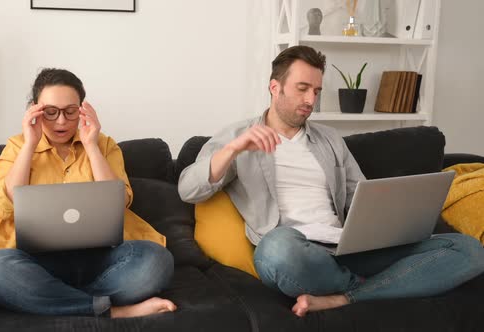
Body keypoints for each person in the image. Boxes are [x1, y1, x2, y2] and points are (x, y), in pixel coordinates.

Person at [177, 45, 484, 317]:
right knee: (276, 249)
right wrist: (232, 150)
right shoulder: (238, 136)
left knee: (469, 250)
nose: (311, 99)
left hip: (348, 247)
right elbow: (188, 188)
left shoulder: (330, 139)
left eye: (316, 90)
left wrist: (392, 224)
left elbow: (361, 196)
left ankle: (348, 296)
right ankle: (381, 285)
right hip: (296, 252)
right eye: (302, 88)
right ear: (275, 87)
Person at [0, 68, 176, 318]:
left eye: (70, 111)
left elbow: (120, 201)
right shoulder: (18, 146)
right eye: (51, 112)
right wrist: (30, 143)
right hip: (38, 262)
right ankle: (111, 310)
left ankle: (58, 300)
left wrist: (91, 145)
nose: (61, 121)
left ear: (82, 110)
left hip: (101, 259)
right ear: (35, 111)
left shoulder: (104, 145)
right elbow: (6, 205)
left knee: (157, 260)